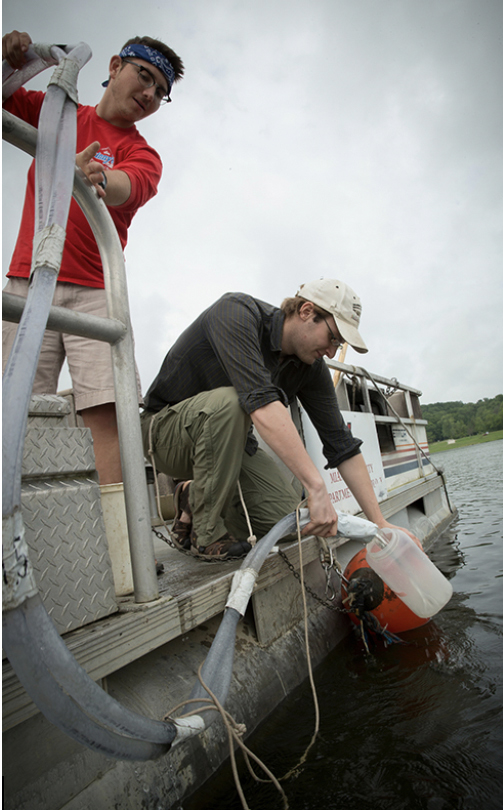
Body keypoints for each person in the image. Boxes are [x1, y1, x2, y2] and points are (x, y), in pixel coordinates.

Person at [1, 33, 182, 487]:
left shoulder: (142, 152)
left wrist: (100, 177)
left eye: (161, 92)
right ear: (116, 65)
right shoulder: (56, 113)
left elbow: (129, 185)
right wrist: (18, 58)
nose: (150, 95)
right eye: (145, 77)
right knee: (13, 405)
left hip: (95, 294)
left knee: (108, 413)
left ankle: (120, 544)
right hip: (28, 279)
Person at [141, 279, 399, 561]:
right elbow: (261, 405)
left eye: (339, 345)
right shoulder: (236, 313)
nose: (332, 352)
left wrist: (380, 524)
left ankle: (193, 498)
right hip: (164, 435)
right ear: (306, 311)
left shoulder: (310, 368)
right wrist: (316, 487)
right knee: (231, 402)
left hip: (229, 446)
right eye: (333, 338)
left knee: (288, 524)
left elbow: (341, 443)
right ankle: (205, 535)